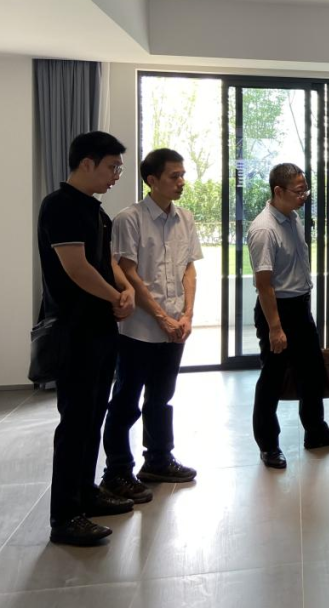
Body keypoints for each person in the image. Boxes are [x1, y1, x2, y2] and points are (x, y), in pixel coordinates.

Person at [37, 131, 136, 546]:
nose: (116, 175)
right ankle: (65, 515)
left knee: (93, 416)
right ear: (86, 163)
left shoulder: (95, 210)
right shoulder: (60, 206)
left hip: (100, 329)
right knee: (75, 422)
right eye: (112, 167)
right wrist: (116, 296)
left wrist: (125, 289)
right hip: (75, 330)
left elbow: (105, 261)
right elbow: (76, 268)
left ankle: (86, 493)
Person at [100, 149, 202, 504]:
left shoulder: (185, 218)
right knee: (126, 401)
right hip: (140, 328)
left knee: (161, 398)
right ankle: (116, 472)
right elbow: (127, 272)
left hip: (176, 326)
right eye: (174, 176)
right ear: (152, 180)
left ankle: (158, 460)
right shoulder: (129, 219)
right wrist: (160, 317)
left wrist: (187, 315)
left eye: (182, 175)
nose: (181, 182)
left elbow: (189, 268)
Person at [248, 163, 329, 468]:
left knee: (312, 372)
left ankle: (315, 432)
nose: (304, 196)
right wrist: (275, 328)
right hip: (277, 311)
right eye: (299, 191)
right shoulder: (264, 229)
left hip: (300, 308)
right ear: (278, 191)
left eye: (306, 189)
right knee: (273, 378)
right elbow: (264, 285)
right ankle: (268, 445)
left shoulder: (292, 218)